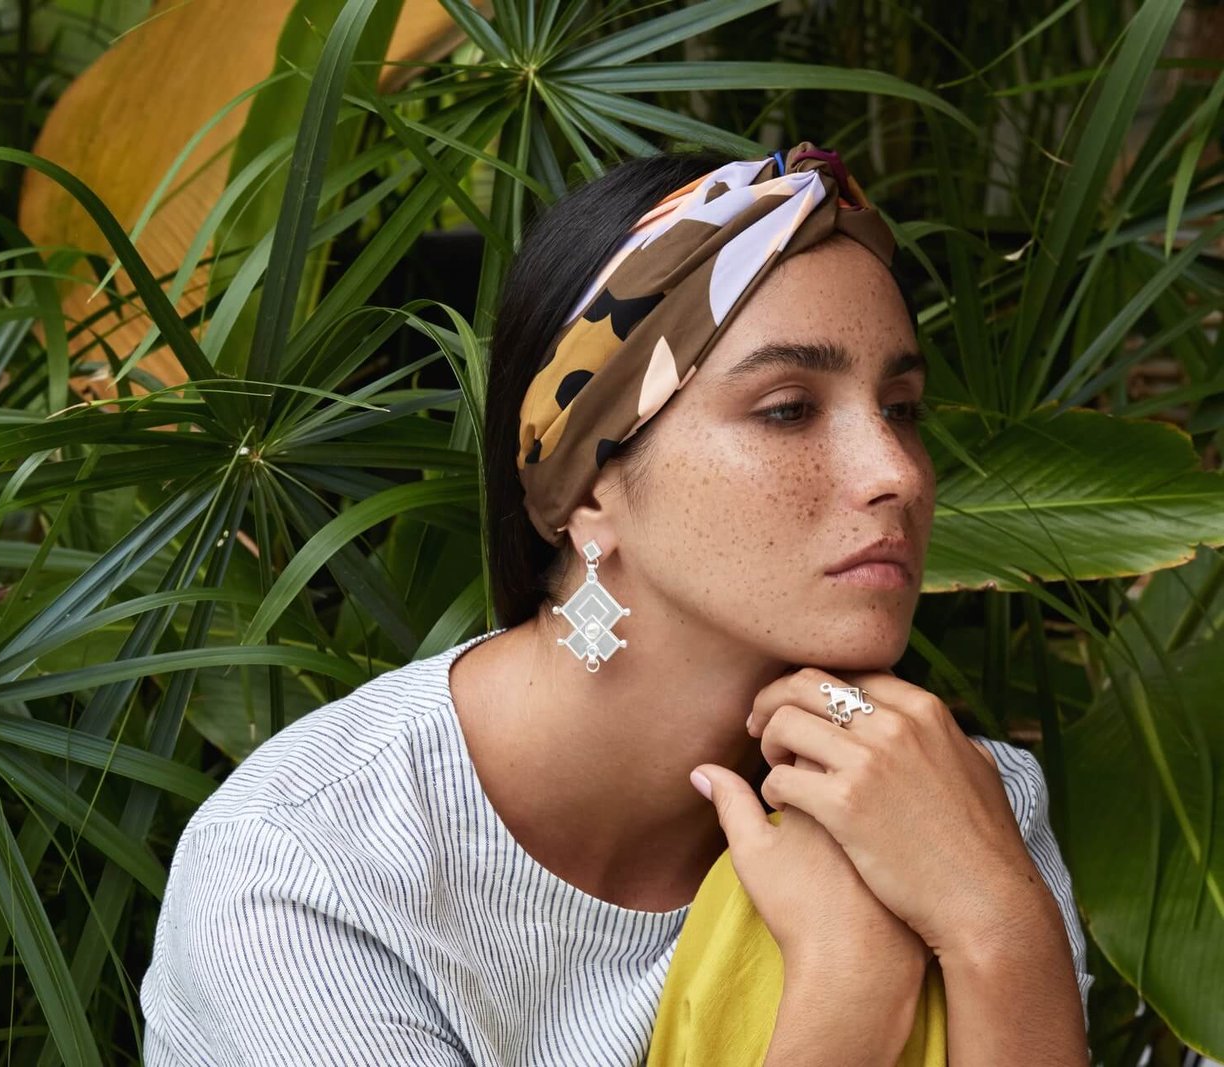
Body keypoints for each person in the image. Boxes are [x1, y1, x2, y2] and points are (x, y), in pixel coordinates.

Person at [139, 143, 1094, 1067]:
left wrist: (998, 923)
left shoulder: (943, 805)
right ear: (591, 486)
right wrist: (852, 981)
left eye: (902, 409)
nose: (898, 473)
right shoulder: (312, 868)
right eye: (787, 409)